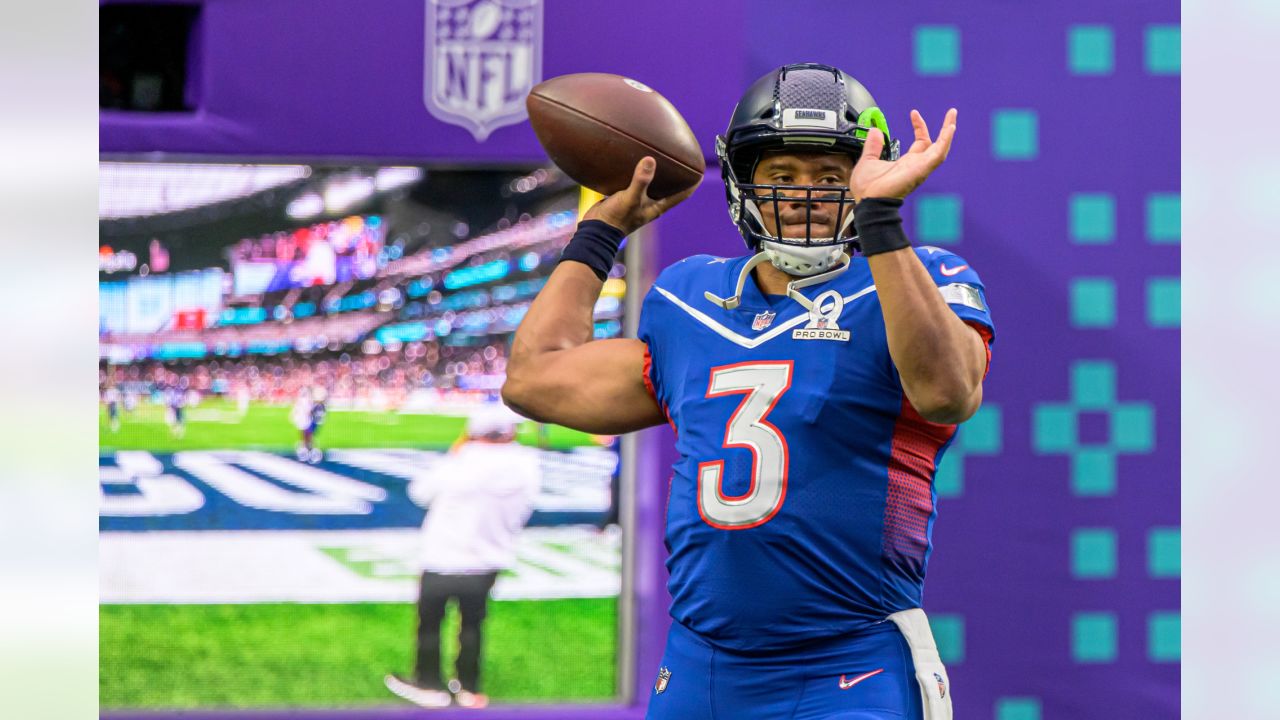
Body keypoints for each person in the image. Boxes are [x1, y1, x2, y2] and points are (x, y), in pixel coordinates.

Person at [501, 63, 994, 720]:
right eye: (782, 176)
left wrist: (882, 224)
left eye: (830, 175)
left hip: (850, 663)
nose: (804, 196)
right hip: (700, 665)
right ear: (743, 183)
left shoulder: (919, 277)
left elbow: (947, 393)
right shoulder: (689, 297)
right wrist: (602, 232)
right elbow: (536, 378)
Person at [385, 404, 541, 709]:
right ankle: (469, 687)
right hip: (489, 558)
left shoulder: (461, 462)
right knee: (472, 624)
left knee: (430, 624)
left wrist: (459, 449)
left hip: (443, 556)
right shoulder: (527, 465)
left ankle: (429, 683)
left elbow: (420, 491)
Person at [291, 386, 326, 463]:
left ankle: (311, 450)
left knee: (308, 435)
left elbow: (313, 413)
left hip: (313, 422)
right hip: (312, 422)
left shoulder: (318, 405)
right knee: (306, 435)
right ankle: (308, 448)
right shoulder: (317, 404)